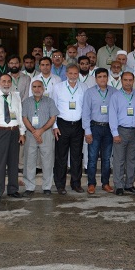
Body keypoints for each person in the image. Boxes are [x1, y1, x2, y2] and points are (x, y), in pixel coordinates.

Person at [52, 65, 86, 195]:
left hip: (78, 125)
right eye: (70, 73)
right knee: (61, 156)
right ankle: (60, 185)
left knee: (77, 156)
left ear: (78, 74)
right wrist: (54, 126)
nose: (73, 76)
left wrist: (84, 127)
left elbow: (85, 107)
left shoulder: (83, 87)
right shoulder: (58, 88)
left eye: (75, 73)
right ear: (66, 74)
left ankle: (76, 183)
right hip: (62, 125)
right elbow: (54, 108)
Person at [82, 68, 117, 194]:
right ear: (96, 79)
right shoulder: (89, 93)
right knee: (92, 158)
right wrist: (87, 131)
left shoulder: (114, 92)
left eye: (104, 76)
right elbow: (85, 112)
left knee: (106, 158)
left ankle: (105, 183)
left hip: (109, 128)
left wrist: (115, 131)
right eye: (100, 77)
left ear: (108, 78)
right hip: (94, 127)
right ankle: (91, 184)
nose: (102, 79)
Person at [21, 79, 59, 196]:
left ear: (43, 89)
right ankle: (29, 187)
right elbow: (24, 118)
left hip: (46, 133)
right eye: (34, 87)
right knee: (29, 161)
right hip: (30, 134)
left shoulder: (49, 101)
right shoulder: (26, 102)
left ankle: (47, 187)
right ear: (31, 89)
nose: (37, 89)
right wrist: (34, 131)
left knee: (47, 161)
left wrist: (41, 131)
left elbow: (53, 118)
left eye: (39, 87)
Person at [109, 72, 135, 196]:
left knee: (132, 159)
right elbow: (112, 115)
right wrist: (115, 133)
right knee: (119, 160)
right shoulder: (116, 96)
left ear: (133, 81)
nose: (128, 82)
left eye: (130, 80)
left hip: (134, 131)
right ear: (121, 81)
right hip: (121, 130)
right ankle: (118, 185)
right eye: (125, 80)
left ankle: (129, 184)